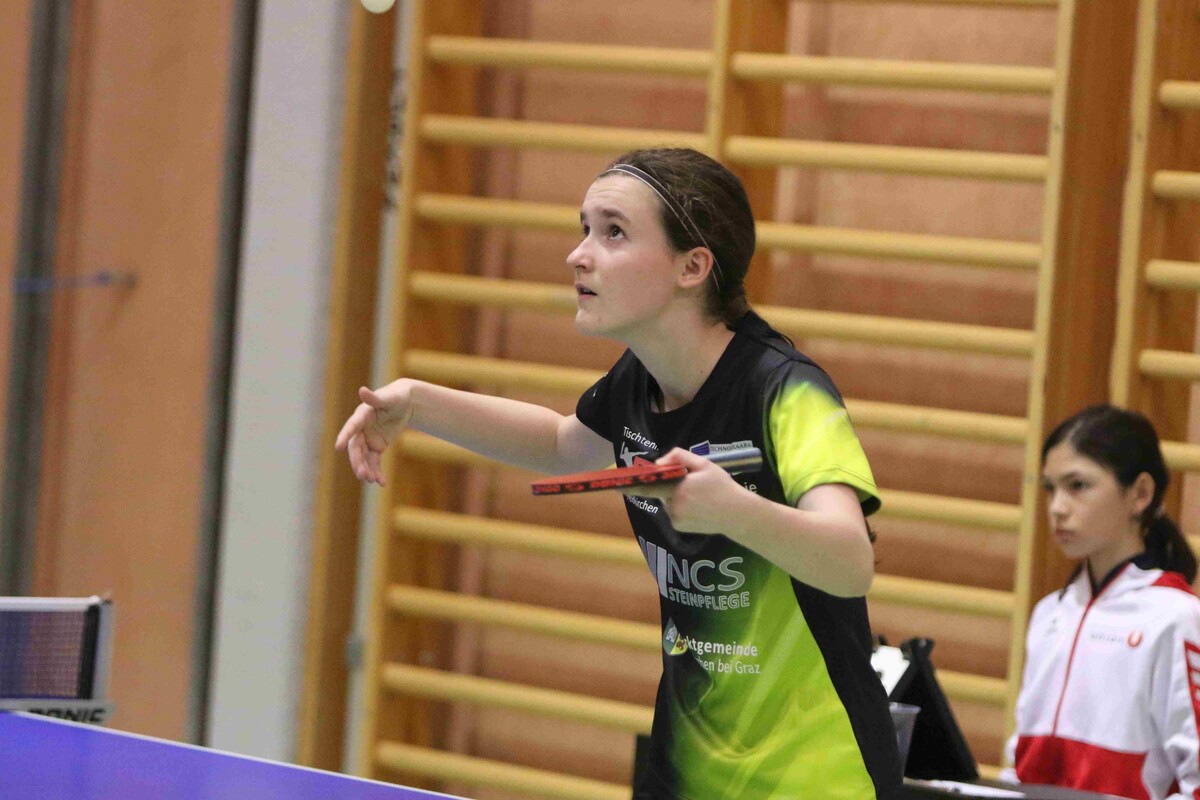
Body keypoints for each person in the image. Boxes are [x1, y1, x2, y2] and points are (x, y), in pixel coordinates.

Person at [337, 148, 903, 799]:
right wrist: (418, 403)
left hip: (818, 778)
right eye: (584, 229)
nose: (578, 255)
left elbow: (850, 561)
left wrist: (734, 510)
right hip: (688, 767)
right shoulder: (641, 380)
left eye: (613, 233)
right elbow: (561, 443)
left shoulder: (787, 392)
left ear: (692, 267)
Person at [1005, 404, 1200, 799]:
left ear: (1140, 493)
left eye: (1078, 485)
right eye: (1050, 488)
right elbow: (1020, 766)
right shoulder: (1049, 614)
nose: (1057, 507)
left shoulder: (1175, 618)